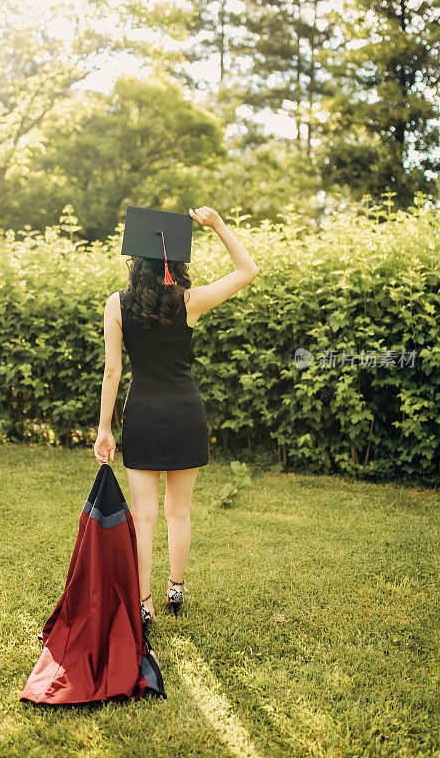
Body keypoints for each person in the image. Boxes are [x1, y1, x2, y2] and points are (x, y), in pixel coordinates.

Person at [94, 205, 258, 626]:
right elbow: (246, 270)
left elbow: (113, 372)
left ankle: (144, 602)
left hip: (142, 414)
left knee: (144, 516)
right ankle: (176, 588)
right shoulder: (190, 300)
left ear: (136, 261)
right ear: (176, 263)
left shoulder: (116, 303)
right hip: (186, 412)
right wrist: (218, 224)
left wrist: (103, 429)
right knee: (179, 513)